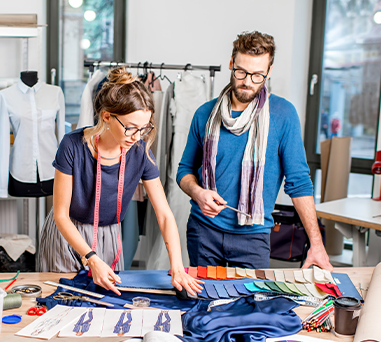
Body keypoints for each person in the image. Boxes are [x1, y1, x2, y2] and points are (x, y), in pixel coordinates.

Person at [38, 67, 203, 295]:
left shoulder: (141, 153)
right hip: (68, 234)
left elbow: (164, 215)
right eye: (130, 128)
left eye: (144, 128)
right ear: (107, 116)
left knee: (107, 304)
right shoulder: (72, 145)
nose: (137, 136)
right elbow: (60, 215)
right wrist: (91, 258)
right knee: (62, 300)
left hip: (108, 237)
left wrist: (176, 266)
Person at [176, 31, 334, 270]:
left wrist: (317, 244)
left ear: (269, 72)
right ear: (231, 63)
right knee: (204, 304)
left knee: (252, 306)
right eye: (241, 72)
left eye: (258, 75)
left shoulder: (283, 115)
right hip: (203, 232)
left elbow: (299, 183)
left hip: (253, 237)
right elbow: (184, 171)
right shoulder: (205, 114)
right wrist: (198, 193)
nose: (248, 81)